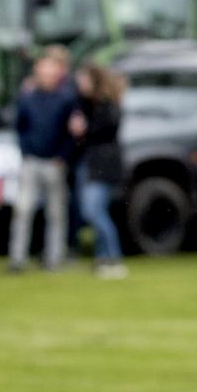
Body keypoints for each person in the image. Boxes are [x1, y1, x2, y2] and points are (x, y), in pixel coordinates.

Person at [10, 50, 78, 272]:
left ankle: (54, 258)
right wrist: (25, 151)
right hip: (32, 160)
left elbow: (71, 132)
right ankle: (17, 258)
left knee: (56, 213)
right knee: (23, 210)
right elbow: (20, 127)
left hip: (54, 162)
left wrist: (62, 156)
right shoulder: (28, 98)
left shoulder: (66, 99)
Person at [71, 63, 127, 279]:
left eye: (83, 80)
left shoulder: (107, 105)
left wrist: (84, 129)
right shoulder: (85, 104)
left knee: (93, 211)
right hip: (90, 164)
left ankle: (114, 257)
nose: (80, 84)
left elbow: (104, 130)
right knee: (97, 211)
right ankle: (102, 258)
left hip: (103, 166)